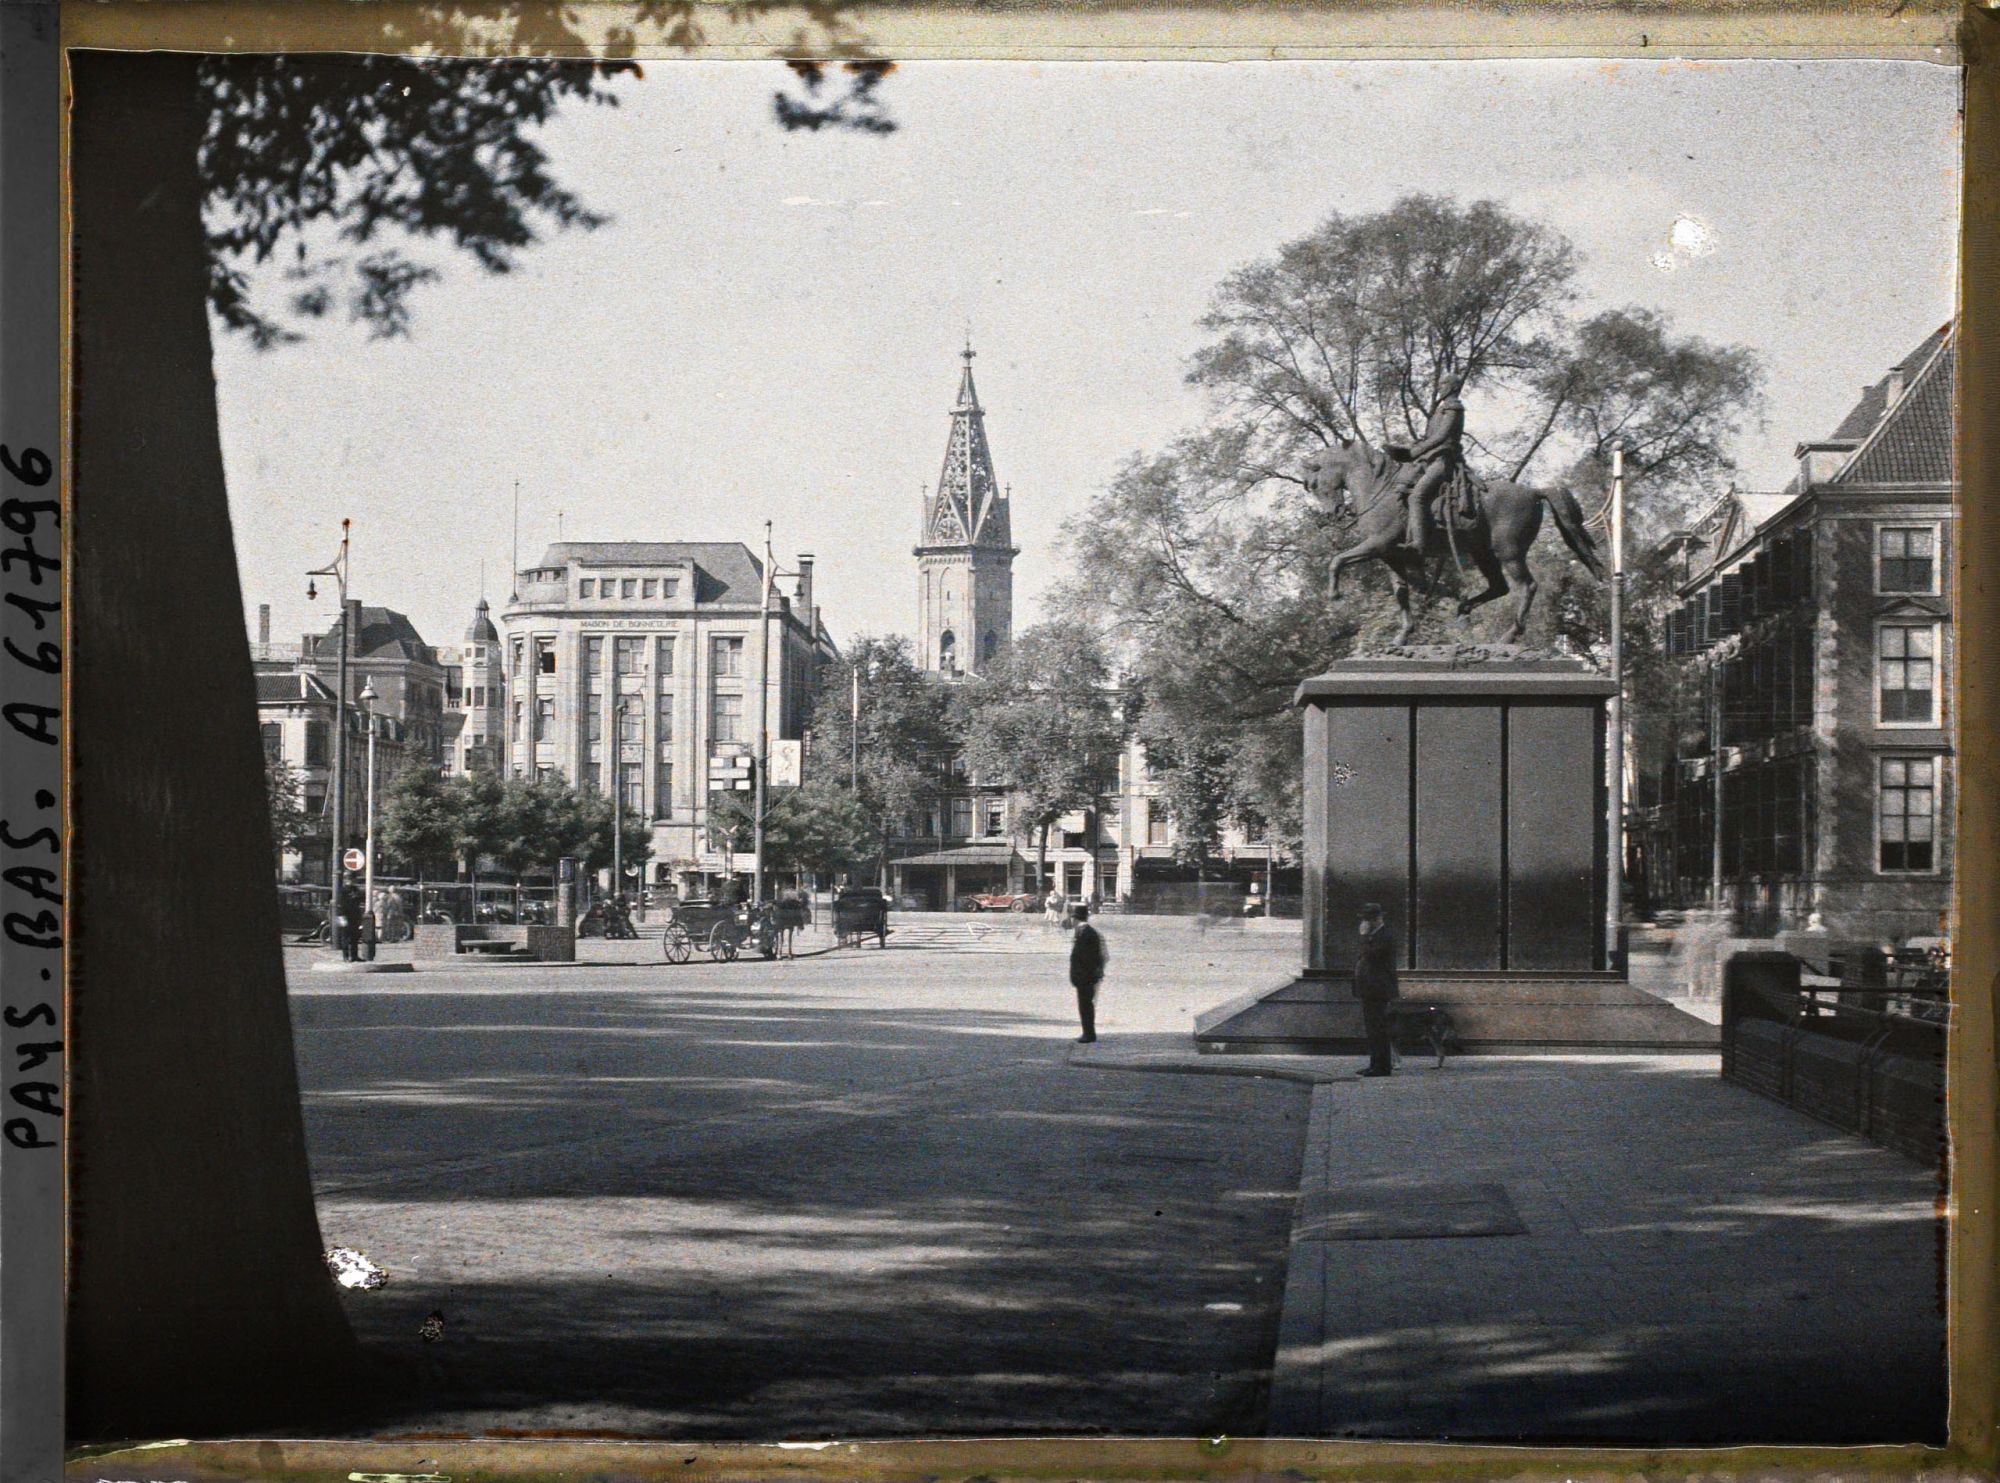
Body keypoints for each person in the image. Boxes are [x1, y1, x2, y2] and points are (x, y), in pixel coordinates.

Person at [1391, 375, 1466, 554]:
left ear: (1453, 387)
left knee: (1416, 497)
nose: (1440, 387)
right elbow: (1430, 437)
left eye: (1444, 384)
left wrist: (1415, 452)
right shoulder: (1442, 409)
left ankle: (1418, 543)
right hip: (1431, 460)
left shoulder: (1453, 407)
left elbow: (1442, 436)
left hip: (1443, 461)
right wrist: (1408, 448)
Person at [1354, 901, 1400, 1077]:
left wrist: (1363, 936)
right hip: (1370, 989)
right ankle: (1375, 1064)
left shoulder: (1385, 936)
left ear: (1376, 920)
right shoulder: (1375, 935)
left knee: (1378, 1029)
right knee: (1372, 1029)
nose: (1364, 923)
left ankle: (1382, 1067)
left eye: (1367, 920)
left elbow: (1370, 955)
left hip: (1378, 989)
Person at [1069, 904, 1108, 1044]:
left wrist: (1082, 975)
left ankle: (1089, 1034)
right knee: (1085, 1005)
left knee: (1085, 1006)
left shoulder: (1085, 933)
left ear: (1075, 919)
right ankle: (1087, 1032)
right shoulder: (1086, 932)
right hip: (1086, 976)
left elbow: (1086, 958)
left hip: (1085, 976)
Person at [335, 875, 366, 963]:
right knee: (345, 936)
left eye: (352, 879)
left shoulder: (355, 889)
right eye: (349, 879)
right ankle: (346, 956)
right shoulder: (342, 890)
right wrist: (341, 916)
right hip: (345, 915)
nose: (351, 881)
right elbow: (340, 904)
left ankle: (354, 956)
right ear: (346, 880)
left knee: (355, 937)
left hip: (355, 915)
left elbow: (360, 899)